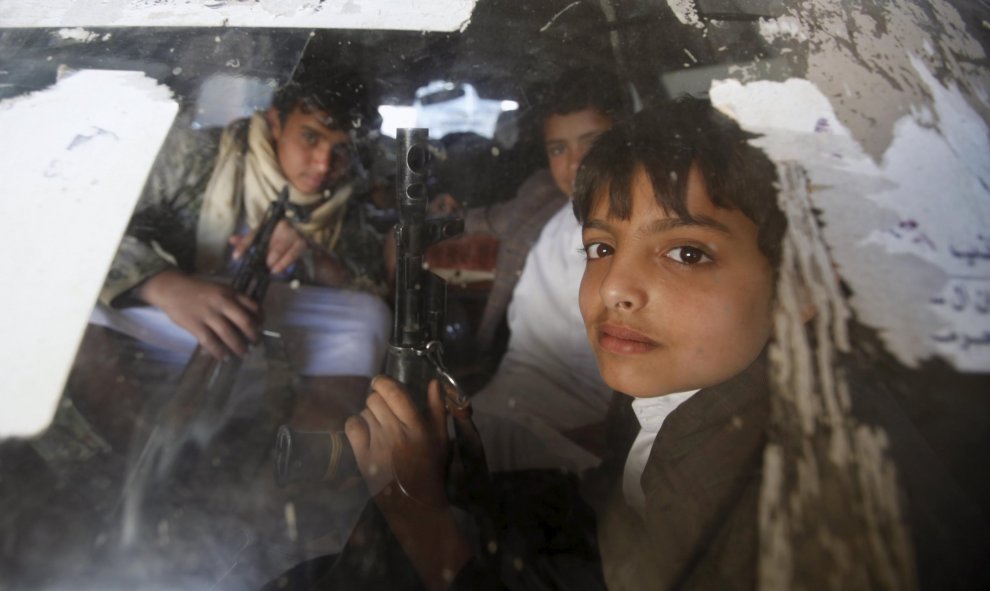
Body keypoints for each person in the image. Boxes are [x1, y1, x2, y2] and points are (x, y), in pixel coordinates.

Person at [330, 97, 990, 591]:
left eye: (685, 251)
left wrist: (422, 520)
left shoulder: (796, 508)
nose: (615, 285)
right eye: (601, 247)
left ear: (803, 281)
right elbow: (603, 528)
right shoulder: (689, 405)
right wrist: (469, 472)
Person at [85, 65, 391, 432]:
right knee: (81, 313)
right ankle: (122, 451)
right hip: (160, 319)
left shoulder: (346, 198)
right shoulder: (196, 155)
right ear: (276, 121)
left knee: (370, 317)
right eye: (310, 137)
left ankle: (297, 474)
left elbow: (367, 280)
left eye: (340, 150)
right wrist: (163, 285)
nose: (324, 165)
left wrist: (308, 256)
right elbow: (80, 218)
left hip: (259, 330)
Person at [460, 66, 627, 473]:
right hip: (510, 390)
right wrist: (408, 230)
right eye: (558, 149)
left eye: (594, 143)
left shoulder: (647, 228)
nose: (575, 164)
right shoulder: (544, 197)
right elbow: (483, 220)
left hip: (592, 419)